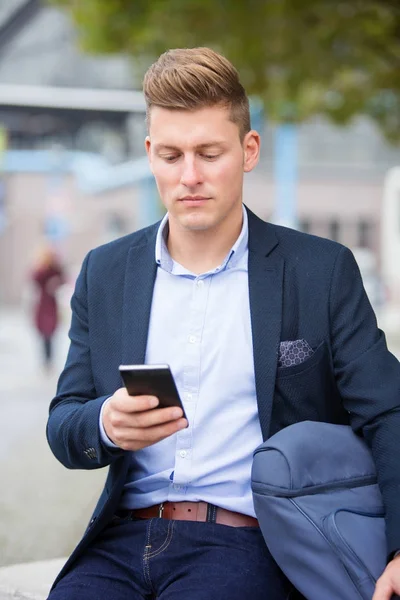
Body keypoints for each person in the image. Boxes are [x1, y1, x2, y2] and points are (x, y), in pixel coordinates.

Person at [46, 47, 400, 600]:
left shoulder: (320, 271)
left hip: (246, 544)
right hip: (119, 543)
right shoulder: (106, 271)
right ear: (148, 155)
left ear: (248, 150)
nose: (189, 176)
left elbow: (389, 410)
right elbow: (64, 424)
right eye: (170, 155)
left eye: (209, 153)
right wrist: (106, 426)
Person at [31, 245, 64, 371]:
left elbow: (62, 278)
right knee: (44, 333)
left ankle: (49, 359)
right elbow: (34, 279)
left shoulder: (56, 269)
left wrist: (56, 282)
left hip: (52, 304)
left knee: (50, 332)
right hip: (42, 304)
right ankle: (46, 359)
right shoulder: (40, 270)